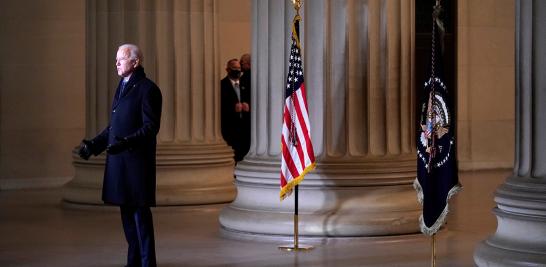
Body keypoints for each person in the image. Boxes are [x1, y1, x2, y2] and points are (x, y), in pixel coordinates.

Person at [77, 43, 162, 267]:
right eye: (116, 59)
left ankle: (147, 263)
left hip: (135, 162)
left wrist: (126, 143)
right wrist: (93, 146)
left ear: (135, 62)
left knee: (140, 216)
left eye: (121, 59)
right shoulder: (123, 85)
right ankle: (133, 262)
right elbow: (114, 127)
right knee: (126, 214)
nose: (116, 63)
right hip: (120, 160)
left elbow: (150, 127)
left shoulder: (147, 88)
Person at [221, 58, 250, 162]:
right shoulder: (222, 85)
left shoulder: (245, 84)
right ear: (227, 70)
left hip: (245, 125)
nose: (237, 71)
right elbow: (220, 106)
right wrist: (232, 108)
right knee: (235, 154)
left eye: (239, 68)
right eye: (234, 68)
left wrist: (248, 105)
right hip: (230, 126)